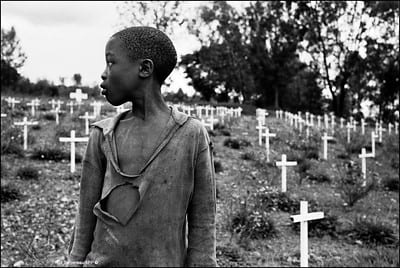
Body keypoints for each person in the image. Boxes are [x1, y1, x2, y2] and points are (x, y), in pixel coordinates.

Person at [67, 26, 216, 267]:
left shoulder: (190, 135)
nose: (104, 74)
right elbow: (85, 218)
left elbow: (203, 222)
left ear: (145, 68)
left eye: (111, 63)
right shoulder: (102, 135)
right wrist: (74, 262)